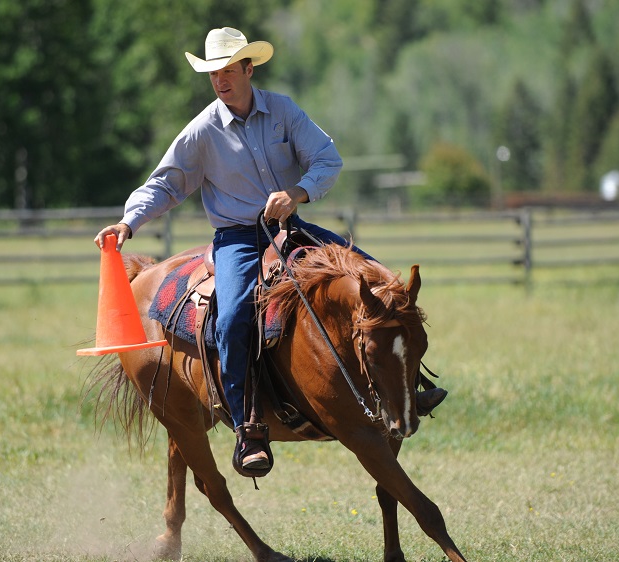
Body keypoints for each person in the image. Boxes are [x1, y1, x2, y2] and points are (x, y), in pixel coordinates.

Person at [94, 27, 446, 476]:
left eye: (227, 71)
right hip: (238, 239)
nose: (220, 80)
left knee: (378, 281)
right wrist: (129, 221)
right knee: (235, 313)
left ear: (248, 68)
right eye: (212, 73)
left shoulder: (282, 111)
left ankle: (410, 385)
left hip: (290, 226)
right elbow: (167, 182)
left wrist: (297, 192)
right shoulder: (203, 130)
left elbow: (326, 159)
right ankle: (248, 428)